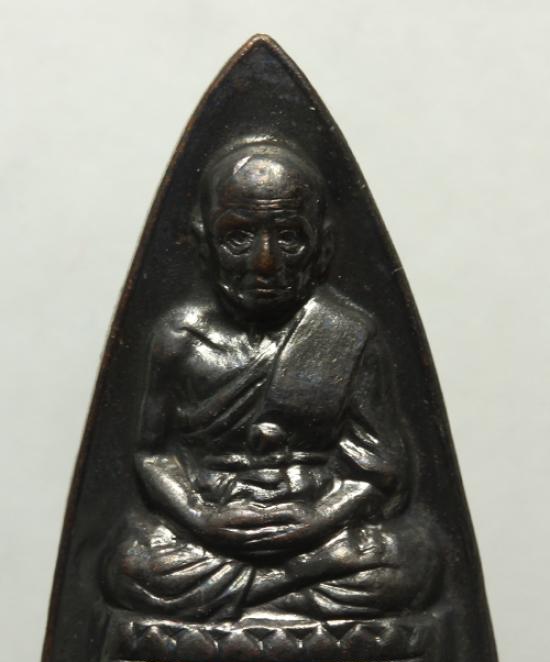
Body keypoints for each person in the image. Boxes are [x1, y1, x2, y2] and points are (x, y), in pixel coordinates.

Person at [104, 139, 441, 621]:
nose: (265, 263)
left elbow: (381, 471)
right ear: (203, 243)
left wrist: (315, 521)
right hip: (211, 530)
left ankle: (248, 597)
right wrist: (202, 517)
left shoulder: (346, 335)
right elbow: (152, 453)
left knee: (414, 558)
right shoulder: (180, 338)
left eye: (289, 238)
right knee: (131, 563)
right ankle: (287, 593)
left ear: (322, 245)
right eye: (239, 238)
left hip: (316, 528)